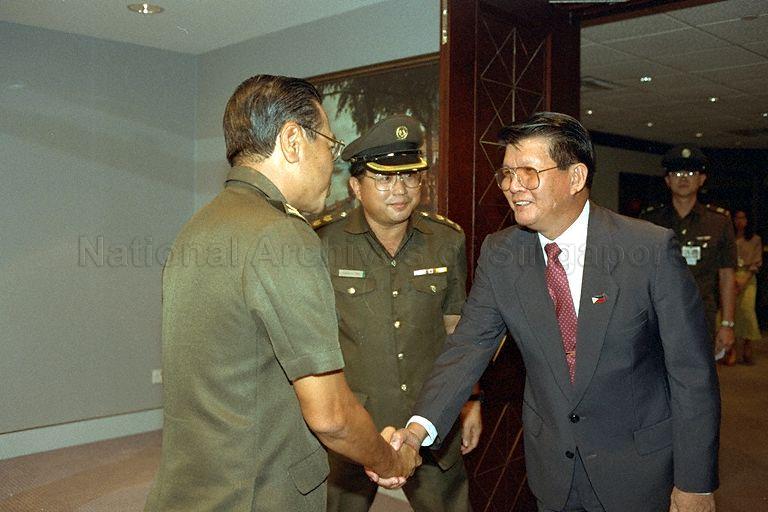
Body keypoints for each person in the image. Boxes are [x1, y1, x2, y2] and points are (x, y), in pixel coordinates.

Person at [376, 113, 721, 512]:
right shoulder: (502, 253)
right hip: (554, 471)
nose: (512, 187)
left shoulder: (647, 250)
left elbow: (691, 374)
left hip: (639, 470)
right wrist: (416, 433)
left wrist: (695, 483)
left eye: (528, 172)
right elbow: (467, 349)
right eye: (506, 174)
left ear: (575, 178)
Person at [144, 75, 419, 512]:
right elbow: (330, 416)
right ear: (293, 140)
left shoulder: (198, 227)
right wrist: (391, 459)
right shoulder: (282, 236)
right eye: (330, 146)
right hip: (258, 494)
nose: (334, 163)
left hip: (192, 489)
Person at [314, 114, 480, 512]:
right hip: (352, 419)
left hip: (432, 416)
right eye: (384, 178)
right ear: (356, 186)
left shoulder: (446, 240)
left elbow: (460, 331)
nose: (399, 190)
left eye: (409, 177)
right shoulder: (323, 243)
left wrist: (472, 400)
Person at [640, 146, 737, 356]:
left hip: (701, 315)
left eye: (691, 173)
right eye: (676, 173)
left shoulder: (719, 222)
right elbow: (640, 272)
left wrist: (727, 324)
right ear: (667, 181)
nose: (683, 178)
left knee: (699, 379)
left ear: (702, 179)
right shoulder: (650, 220)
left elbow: (727, 275)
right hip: (658, 315)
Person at [732, 209, 763, 364]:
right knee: (731, 311)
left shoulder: (755, 239)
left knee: (746, 310)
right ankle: (731, 348)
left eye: (743, 218)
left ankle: (747, 345)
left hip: (748, 278)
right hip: (731, 277)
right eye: (737, 218)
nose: (740, 221)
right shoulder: (730, 238)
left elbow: (756, 263)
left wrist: (744, 280)